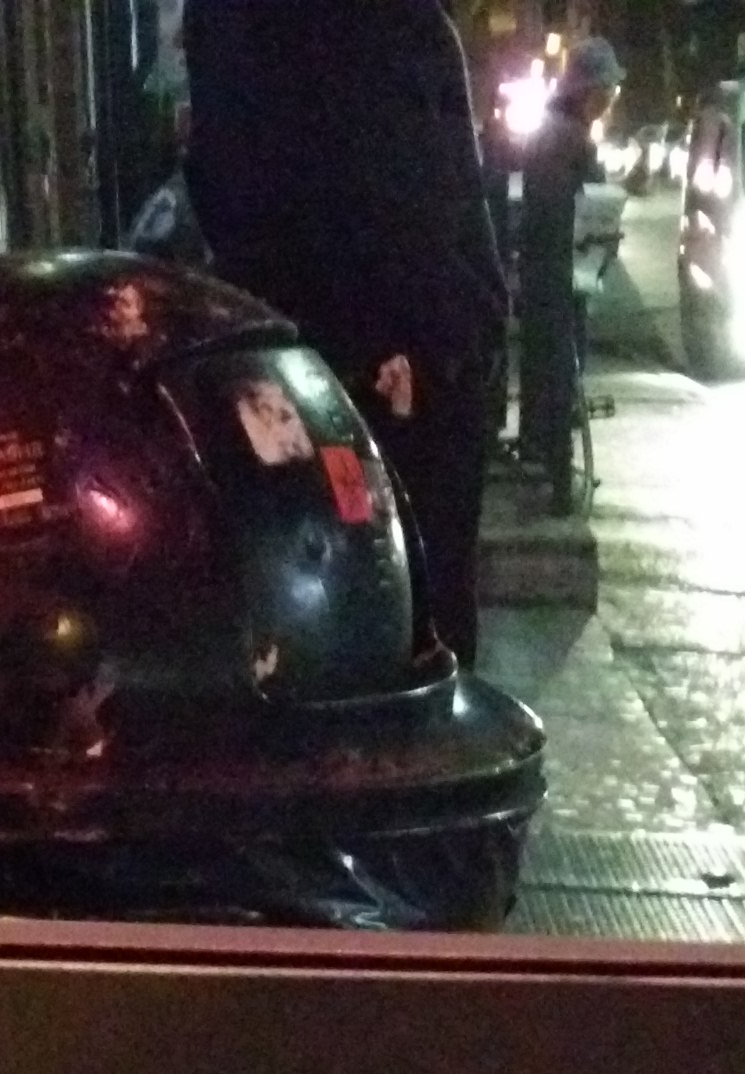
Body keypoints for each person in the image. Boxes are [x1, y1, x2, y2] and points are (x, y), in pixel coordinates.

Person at [181, 0, 509, 670]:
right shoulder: (388, 26)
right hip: (393, 364)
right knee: (413, 623)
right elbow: (414, 179)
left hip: (292, 357)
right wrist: (443, 339)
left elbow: (225, 182)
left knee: (315, 627)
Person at [517, 37, 619, 505]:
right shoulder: (570, 139)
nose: (609, 99)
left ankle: (541, 458)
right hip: (559, 273)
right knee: (563, 375)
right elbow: (571, 209)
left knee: (545, 370)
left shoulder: (550, 131)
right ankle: (560, 480)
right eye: (606, 90)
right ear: (587, 91)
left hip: (543, 271)